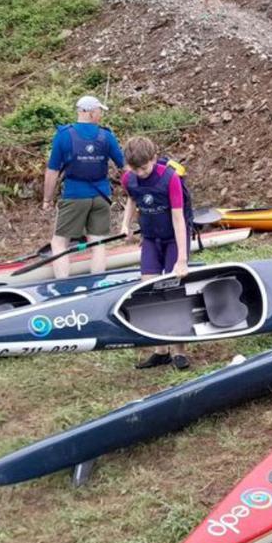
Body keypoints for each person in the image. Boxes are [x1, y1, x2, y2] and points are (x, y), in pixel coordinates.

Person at [119, 136, 191, 370]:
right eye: (135, 168)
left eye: (144, 167)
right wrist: (125, 224)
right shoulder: (129, 178)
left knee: (173, 290)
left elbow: (179, 219)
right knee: (148, 290)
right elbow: (132, 199)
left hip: (173, 239)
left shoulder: (169, 178)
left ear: (153, 158)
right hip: (150, 239)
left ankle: (179, 350)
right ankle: (161, 350)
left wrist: (181, 259)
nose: (140, 173)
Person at [42, 96, 125, 279]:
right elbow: (124, 166)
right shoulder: (107, 136)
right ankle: (97, 285)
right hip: (101, 196)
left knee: (59, 243)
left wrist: (47, 199)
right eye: (99, 111)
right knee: (98, 243)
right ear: (91, 112)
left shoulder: (64, 135)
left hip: (74, 195)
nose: (101, 115)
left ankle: (63, 285)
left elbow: (52, 171)